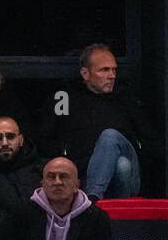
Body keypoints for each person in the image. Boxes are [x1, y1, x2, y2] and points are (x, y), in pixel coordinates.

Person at [34, 44, 157, 200]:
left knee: (110, 138)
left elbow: (149, 140)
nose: (112, 75)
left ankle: (92, 200)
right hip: (83, 173)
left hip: (129, 176)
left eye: (114, 70)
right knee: (121, 165)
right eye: (104, 70)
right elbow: (45, 138)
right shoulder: (65, 98)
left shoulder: (125, 97)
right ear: (85, 74)